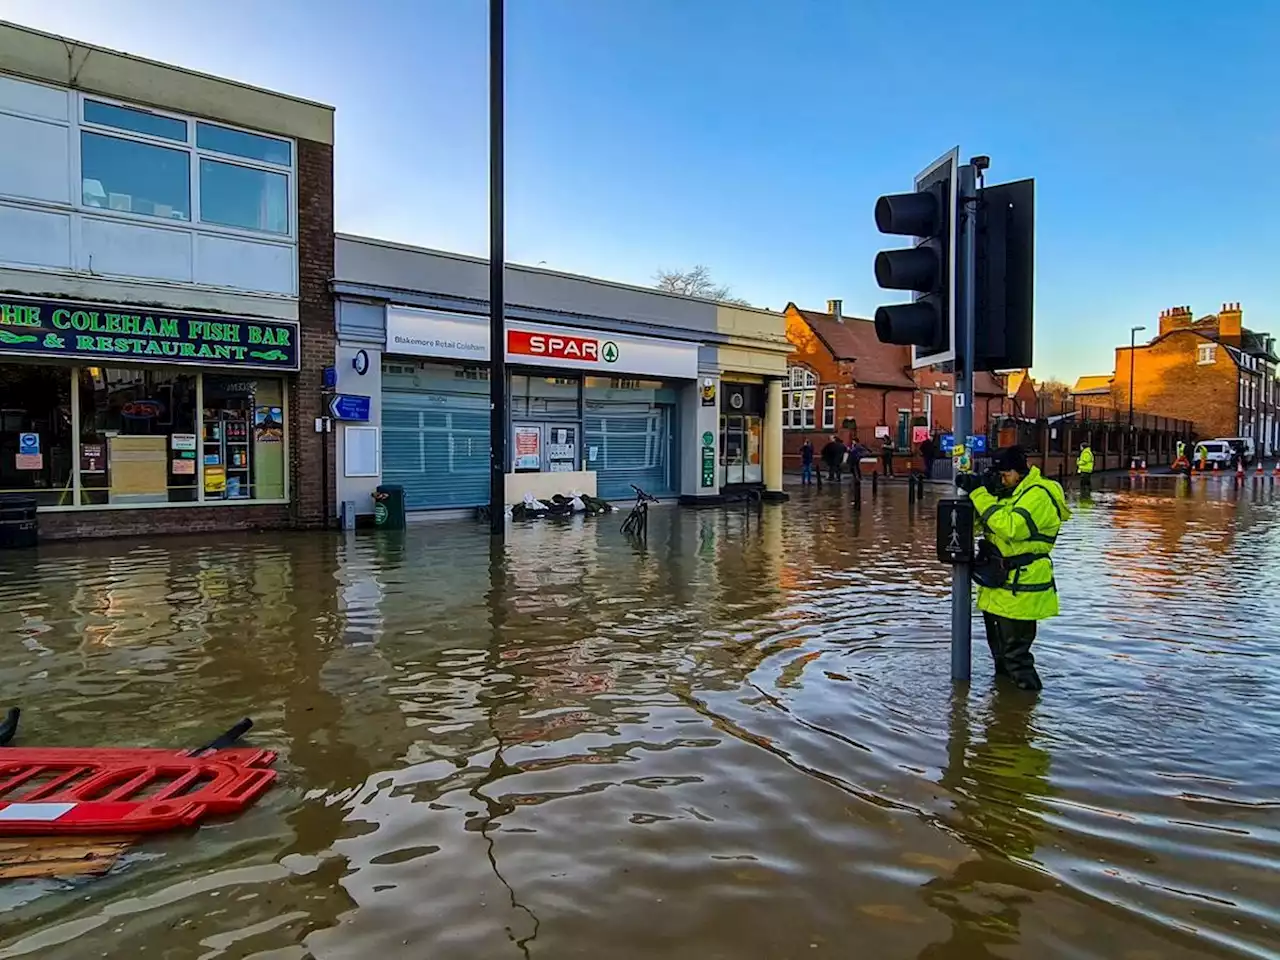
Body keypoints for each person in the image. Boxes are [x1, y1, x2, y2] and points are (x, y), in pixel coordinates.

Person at [956, 445, 1071, 691]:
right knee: (1000, 657)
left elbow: (1011, 527)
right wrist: (975, 496)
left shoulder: (1038, 494)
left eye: (1005, 474)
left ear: (1019, 471)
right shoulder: (1009, 492)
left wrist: (979, 494)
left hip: (1021, 590)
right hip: (998, 587)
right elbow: (982, 528)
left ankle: (1026, 712)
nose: (1001, 480)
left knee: (1016, 658)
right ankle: (1004, 712)